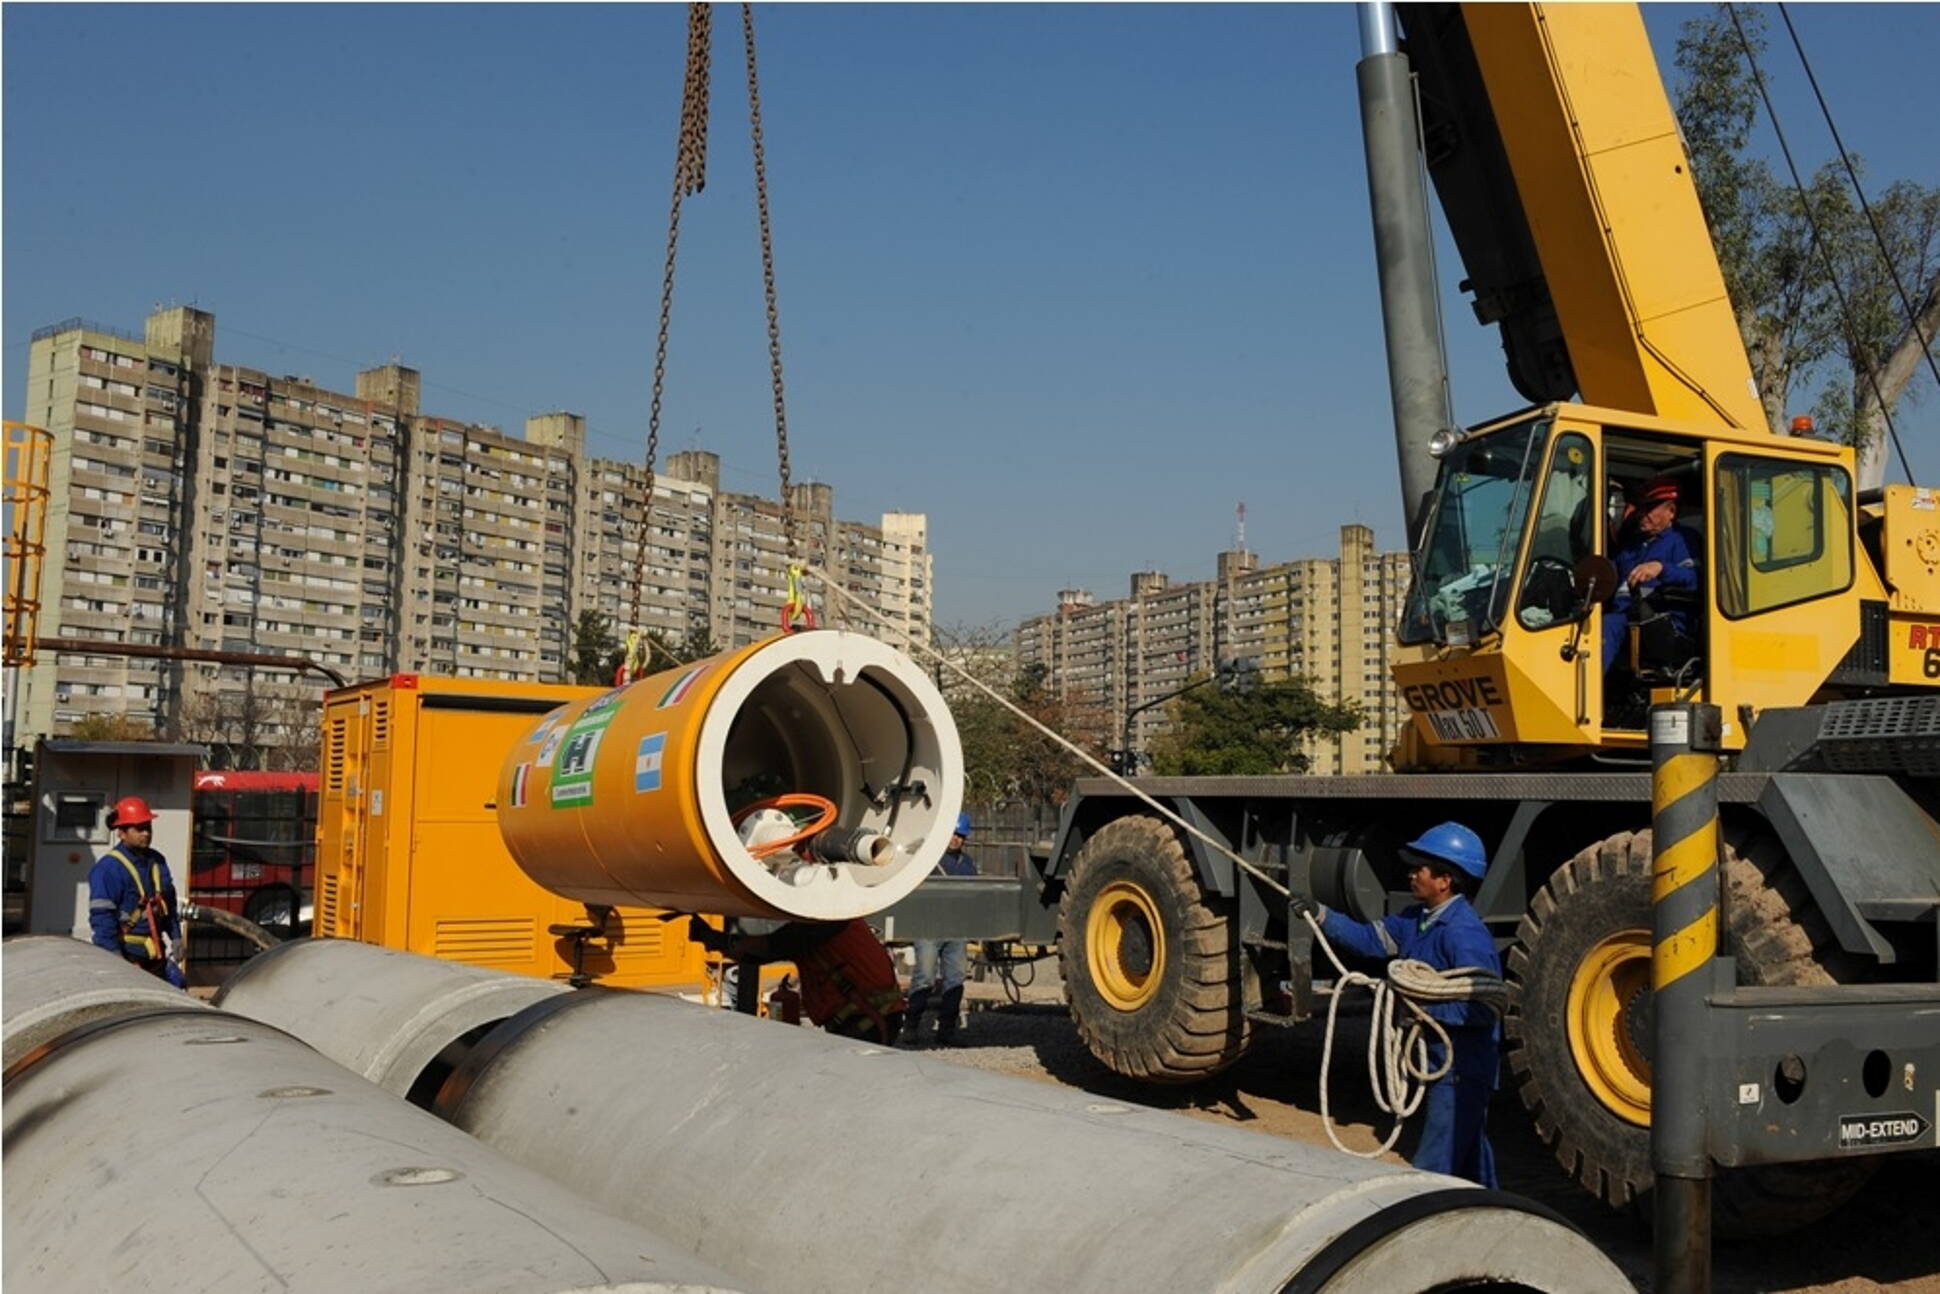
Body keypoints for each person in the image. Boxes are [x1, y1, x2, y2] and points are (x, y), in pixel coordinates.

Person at [1292, 821, 1501, 1187]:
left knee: (1434, 1166)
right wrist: (1320, 914)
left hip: (1460, 1069)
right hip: (1443, 1064)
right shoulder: (1415, 920)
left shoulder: (1462, 934)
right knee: (1471, 1163)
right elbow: (1370, 940)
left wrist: (1416, 1005)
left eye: (1419, 869)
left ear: (1444, 880)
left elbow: (1481, 1007)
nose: (1411, 874)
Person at [687, 916, 906, 1044]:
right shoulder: (818, 927)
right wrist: (716, 941)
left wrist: (717, 939)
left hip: (868, 1020)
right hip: (864, 1018)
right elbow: (759, 954)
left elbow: (771, 947)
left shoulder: (825, 922)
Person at [1602, 476, 1700, 674]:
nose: (1642, 515)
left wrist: (1661, 568)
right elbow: (1609, 573)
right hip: (1624, 616)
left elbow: (1696, 578)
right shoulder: (1632, 546)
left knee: (1607, 625)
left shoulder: (1683, 540)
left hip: (1659, 620)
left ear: (1671, 512)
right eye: (1641, 508)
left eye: (1650, 509)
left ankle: (1585, 694)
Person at [87, 796, 186, 989]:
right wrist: (115, 959)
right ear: (121, 833)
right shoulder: (108, 869)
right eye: (139, 828)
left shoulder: (157, 861)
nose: (146, 833)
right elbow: (102, 919)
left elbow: (168, 905)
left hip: (156, 956)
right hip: (129, 957)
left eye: (148, 827)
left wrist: (175, 936)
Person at [901, 812, 978, 1047]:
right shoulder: (928, 861)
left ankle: (946, 1030)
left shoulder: (967, 865)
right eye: (953, 834)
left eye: (960, 835)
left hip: (956, 931)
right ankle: (911, 1026)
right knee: (924, 978)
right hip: (929, 928)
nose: (956, 839)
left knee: (954, 980)